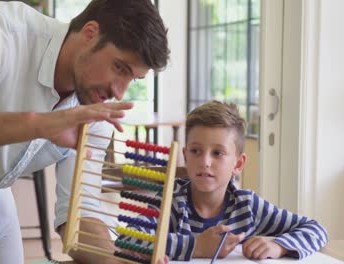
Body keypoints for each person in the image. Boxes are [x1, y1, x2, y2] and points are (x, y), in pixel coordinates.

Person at [0, 0, 169, 263]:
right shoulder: (1, 27)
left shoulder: (97, 103)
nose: (119, 91)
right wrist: (41, 124)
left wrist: (119, 260)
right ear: (90, 33)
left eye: (132, 78)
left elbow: (78, 218)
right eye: (119, 67)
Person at [119, 101, 328, 261]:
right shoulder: (171, 200)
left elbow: (316, 229)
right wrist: (197, 246)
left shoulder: (247, 206)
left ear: (238, 164)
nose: (205, 162)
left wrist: (278, 247)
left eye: (218, 153)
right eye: (195, 151)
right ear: (185, 155)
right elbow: (128, 240)